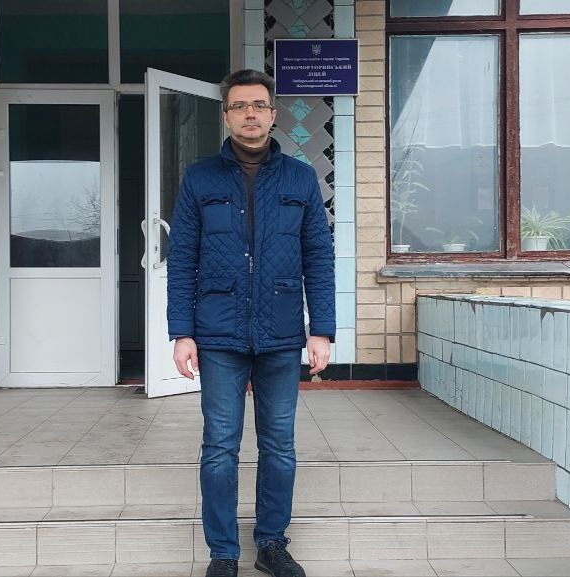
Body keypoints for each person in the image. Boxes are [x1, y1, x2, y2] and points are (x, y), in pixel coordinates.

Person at [166, 69, 335, 577]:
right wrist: (182, 332)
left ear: (273, 113)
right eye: (239, 106)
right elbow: (182, 259)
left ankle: (271, 544)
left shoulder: (300, 179)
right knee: (220, 447)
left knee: (279, 445)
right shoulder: (200, 178)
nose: (250, 114)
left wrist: (321, 329)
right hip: (218, 333)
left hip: (281, 332)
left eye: (258, 105)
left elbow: (318, 258)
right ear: (226, 116)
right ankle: (223, 552)